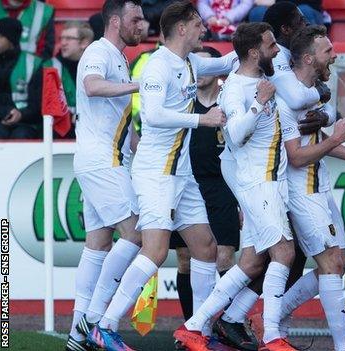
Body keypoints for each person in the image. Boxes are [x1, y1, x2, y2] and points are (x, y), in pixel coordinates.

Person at [86, 2, 236, 350]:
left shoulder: (191, 62)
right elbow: (152, 115)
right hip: (156, 174)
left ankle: (198, 332)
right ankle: (103, 326)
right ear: (182, 28)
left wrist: (263, 49)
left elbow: (229, 61)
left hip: (181, 175)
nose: (205, 29)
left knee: (205, 247)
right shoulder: (157, 66)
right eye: (198, 24)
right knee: (154, 252)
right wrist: (204, 119)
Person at [176, 22, 299, 351]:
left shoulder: (262, 79)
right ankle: (273, 337)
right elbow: (235, 134)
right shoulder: (235, 89)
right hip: (258, 182)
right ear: (256, 52)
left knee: (252, 262)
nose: (278, 51)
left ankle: (194, 326)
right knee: (284, 252)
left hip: (269, 180)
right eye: (272, 45)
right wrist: (258, 103)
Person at [279, 24, 345, 351]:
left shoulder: (307, 92)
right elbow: (295, 157)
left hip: (318, 185)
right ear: (308, 58)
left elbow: (315, 142)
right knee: (330, 263)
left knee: (336, 263)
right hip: (301, 191)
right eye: (328, 52)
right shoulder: (288, 97)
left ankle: (271, 317)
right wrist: (336, 139)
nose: (334, 57)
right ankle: (343, 344)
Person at [65, 1, 145, 350]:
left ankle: (76, 334)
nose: (142, 25)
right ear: (115, 22)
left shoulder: (119, 56)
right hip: (101, 160)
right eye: (136, 19)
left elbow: (119, 117)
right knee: (135, 232)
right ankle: (96, 319)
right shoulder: (99, 51)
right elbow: (92, 85)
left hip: (104, 158)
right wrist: (140, 86)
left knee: (98, 245)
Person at [0, 17, 43, 139]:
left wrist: (21, 115)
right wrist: (4, 112)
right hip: (0, 118)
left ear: (11, 39)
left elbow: (39, 103)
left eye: (0, 36)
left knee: (21, 135)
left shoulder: (34, 63)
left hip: (27, 123)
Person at [49, 21, 95, 139]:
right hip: (59, 131)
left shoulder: (98, 67)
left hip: (92, 130)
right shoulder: (50, 67)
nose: (63, 43)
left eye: (69, 38)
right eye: (62, 38)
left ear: (84, 43)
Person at [248, 0, 324, 26]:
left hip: (309, 10)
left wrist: (275, 2)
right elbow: (260, 1)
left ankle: (312, 47)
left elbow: (312, 2)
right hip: (278, 8)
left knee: (303, 10)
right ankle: (261, 49)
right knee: (257, 12)